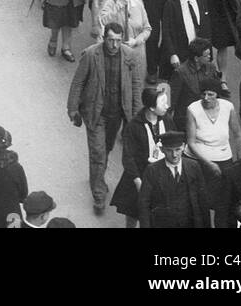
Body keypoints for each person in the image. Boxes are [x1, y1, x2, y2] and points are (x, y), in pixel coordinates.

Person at [67, 22, 143, 215]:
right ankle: (99, 194)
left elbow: (135, 87)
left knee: (106, 148)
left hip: (117, 114)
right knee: (98, 152)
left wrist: (135, 116)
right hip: (96, 112)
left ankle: (96, 176)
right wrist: (72, 108)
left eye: (118, 41)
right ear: (104, 38)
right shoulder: (92, 54)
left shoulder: (129, 55)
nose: (114, 45)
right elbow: (78, 82)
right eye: (110, 40)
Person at [111, 82, 173, 228]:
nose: (167, 106)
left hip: (161, 174)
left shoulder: (167, 120)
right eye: (163, 103)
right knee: (133, 212)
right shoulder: (134, 126)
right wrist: (138, 180)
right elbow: (128, 157)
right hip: (140, 176)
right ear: (151, 107)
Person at [185, 75, 241, 226]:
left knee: (226, 201)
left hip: (223, 157)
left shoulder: (228, 107)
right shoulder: (192, 109)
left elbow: (237, 134)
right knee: (199, 201)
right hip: (198, 160)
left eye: (210, 94)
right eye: (203, 93)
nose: (206, 97)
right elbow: (191, 142)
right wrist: (209, 163)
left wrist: (239, 160)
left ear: (217, 94)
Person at [137, 131, 210, 229]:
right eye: (169, 150)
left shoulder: (193, 166)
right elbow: (144, 204)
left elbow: (202, 200)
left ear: (184, 147)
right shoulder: (152, 170)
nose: (174, 154)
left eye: (177, 149)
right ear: (162, 150)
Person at [98, 0, 153, 80]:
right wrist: (119, 6)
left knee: (137, 84)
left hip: (137, 52)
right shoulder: (110, 4)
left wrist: (136, 41)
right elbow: (104, 20)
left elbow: (147, 29)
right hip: (117, 52)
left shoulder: (138, 4)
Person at [161, 0, 213, 71]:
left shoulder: (202, 1)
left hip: (200, 52)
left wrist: (208, 51)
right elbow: (166, 32)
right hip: (181, 53)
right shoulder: (171, 4)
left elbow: (207, 28)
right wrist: (172, 54)